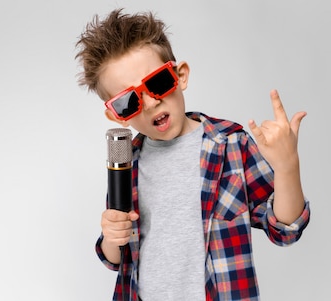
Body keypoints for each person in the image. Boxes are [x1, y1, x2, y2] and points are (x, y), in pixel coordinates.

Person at [75, 9, 311, 301]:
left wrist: (288, 166)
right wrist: (112, 237)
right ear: (117, 116)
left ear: (180, 75)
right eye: (129, 101)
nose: (150, 103)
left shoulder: (231, 145)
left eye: (157, 82)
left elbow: (285, 229)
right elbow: (114, 257)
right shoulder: (127, 164)